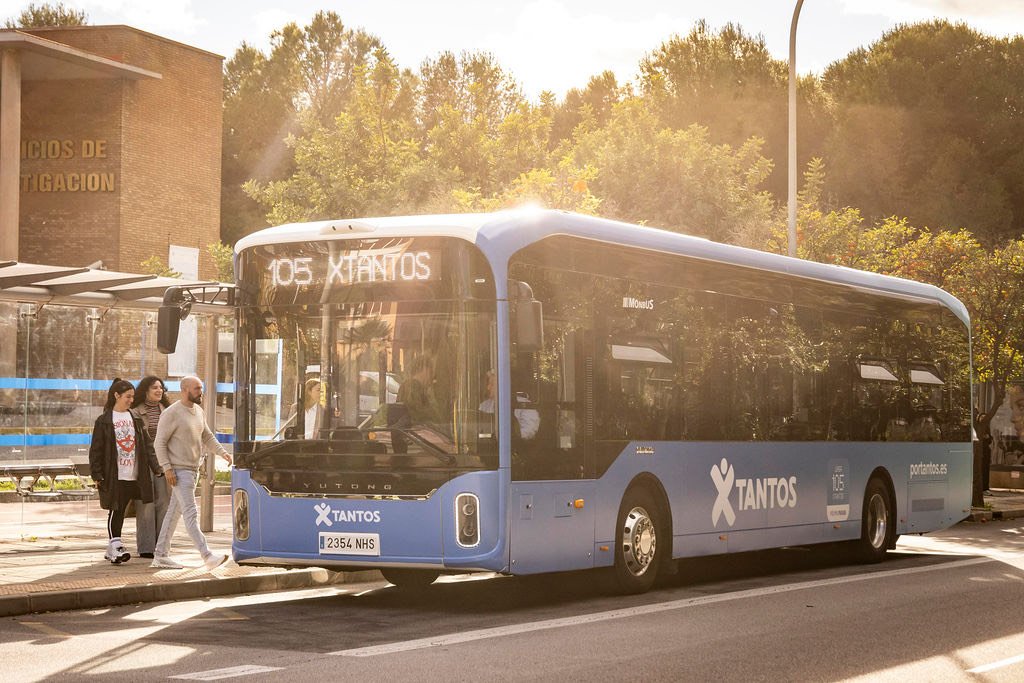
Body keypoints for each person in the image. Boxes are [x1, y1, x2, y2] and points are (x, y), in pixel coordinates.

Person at [151, 375, 233, 570]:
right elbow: (159, 442)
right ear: (185, 389)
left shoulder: (199, 412)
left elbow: (207, 436)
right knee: (191, 513)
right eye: (197, 388)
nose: (200, 392)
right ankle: (207, 556)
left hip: (193, 470)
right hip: (179, 472)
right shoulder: (171, 413)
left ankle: (160, 555)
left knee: (173, 514)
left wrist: (223, 453)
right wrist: (167, 468)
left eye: (201, 388)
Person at [88, 378, 161, 565]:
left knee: (122, 511)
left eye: (132, 396)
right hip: (114, 475)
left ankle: (112, 549)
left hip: (134, 475)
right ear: (116, 396)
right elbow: (96, 450)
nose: (131, 400)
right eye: (127, 396)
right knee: (116, 510)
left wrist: (156, 468)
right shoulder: (104, 421)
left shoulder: (135, 418)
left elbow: (147, 447)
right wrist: (97, 474)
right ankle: (117, 546)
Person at [130, 376, 171, 559]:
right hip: (144, 462)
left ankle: (161, 544)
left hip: (163, 461)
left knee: (164, 501)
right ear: (145, 390)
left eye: (161, 388)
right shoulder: (135, 412)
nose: (159, 390)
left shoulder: (168, 411)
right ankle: (147, 547)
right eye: (155, 387)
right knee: (146, 503)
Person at [479, 370, 540, 440]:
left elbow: (528, 432)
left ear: (503, 385)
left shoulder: (524, 405)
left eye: (492, 384)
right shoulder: (484, 406)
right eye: (488, 384)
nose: (488, 388)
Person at [398, 355, 440, 424]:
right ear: (424, 369)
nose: (433, 376)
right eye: (431, 370)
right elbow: (418, 415)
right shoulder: (413, 386)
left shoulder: (410, 386)